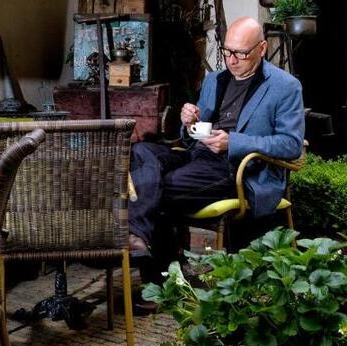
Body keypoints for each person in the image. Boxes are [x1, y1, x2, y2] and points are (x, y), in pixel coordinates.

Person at [128, 16, 305, 255]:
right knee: (141, 151)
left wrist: (233, 142)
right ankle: (145, 246)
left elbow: (291, 144)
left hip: (238, 167)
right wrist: (190, 123)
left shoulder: (285, 86)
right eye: (227, 51)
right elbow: (193, 136)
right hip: (198, 157)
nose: (231, 60)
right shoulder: (214, 80)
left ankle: (155, 263)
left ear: (262, 49)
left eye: (241, 54)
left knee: (157, 187)